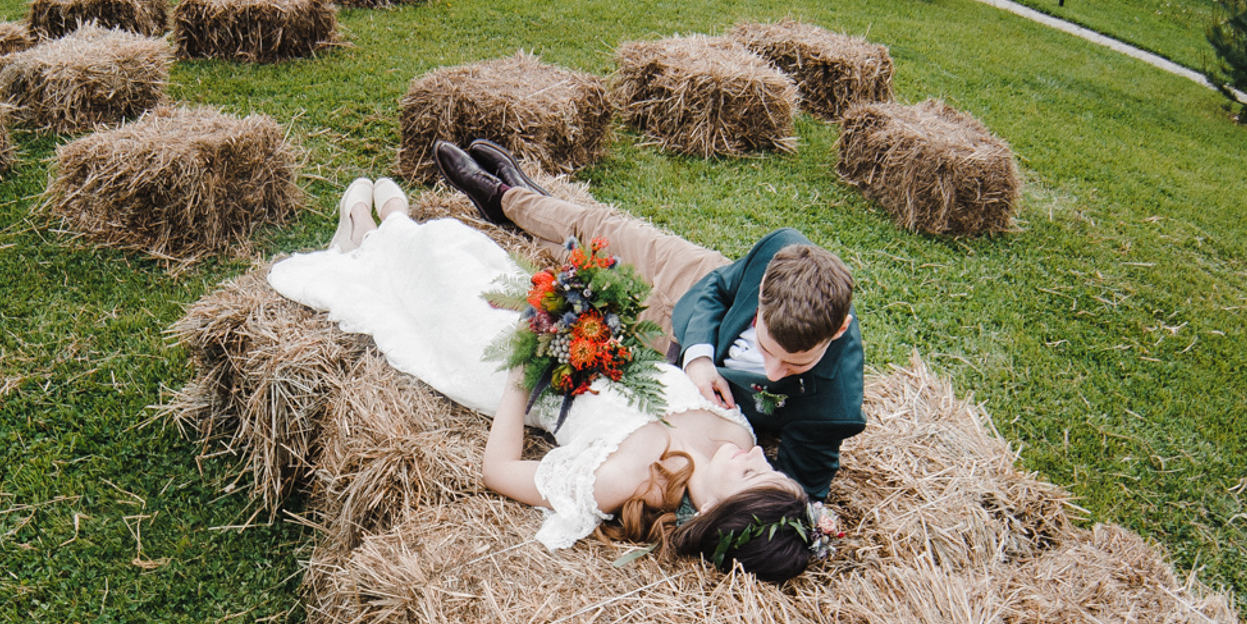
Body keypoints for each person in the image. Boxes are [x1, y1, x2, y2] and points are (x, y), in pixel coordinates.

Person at [264, 170, 838, 583]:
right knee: (469, 252)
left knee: (434, 272)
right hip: (577, 333)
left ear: (729, 510)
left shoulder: (625, 482)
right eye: (772, 468)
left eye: (760, 477)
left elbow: (498, 471)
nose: (764, 457)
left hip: (521, 367)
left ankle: (367, 229)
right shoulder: (736, 435)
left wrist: (521, 368)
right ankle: (391, 223)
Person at [434, 140, 865, 505]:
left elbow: (795, 493)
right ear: (764, 296)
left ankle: (508, 199)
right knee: (607, 228)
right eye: (769, 351)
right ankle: (512, 196)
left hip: (669, 356)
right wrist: (702, 355)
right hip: (701, 290)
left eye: (794, 366)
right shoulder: (784, 250)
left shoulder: (834, 411)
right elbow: (717, 287)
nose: (772, 373)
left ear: (839, 330)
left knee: (592, 271)